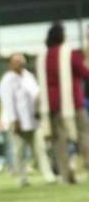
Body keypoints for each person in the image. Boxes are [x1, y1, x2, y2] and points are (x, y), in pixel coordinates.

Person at [39, 22, 89, 184]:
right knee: (84, 135)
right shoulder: (70, 53)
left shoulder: (43, 55)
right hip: (72, 102)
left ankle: (65, 176)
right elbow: (83, 73)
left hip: (51, 103)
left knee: (59, 141)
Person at [0, 53, 54, 187]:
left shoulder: (28, 76)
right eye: (15, 61)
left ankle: (48, 176)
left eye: (21, 61)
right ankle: (21, 179)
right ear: (10, 64)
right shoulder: (7, 79)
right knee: (19, 151)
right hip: (18, 121)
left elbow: (36, 94)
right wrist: (13, 120)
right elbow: (8, 101)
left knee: (40, 148)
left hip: (33, 119)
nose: (19, 64)